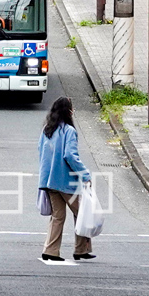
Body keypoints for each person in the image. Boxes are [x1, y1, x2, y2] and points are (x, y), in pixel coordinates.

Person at [37, 96, 93, 262]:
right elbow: (70, 155)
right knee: (82, 213)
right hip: (65, 181)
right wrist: (85, 175)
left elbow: (41, 153)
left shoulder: (47, 130)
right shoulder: (69, 131)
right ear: (68, 112)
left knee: (58, 216)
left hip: (49, 181)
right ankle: (81, 249)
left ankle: (51, 250)